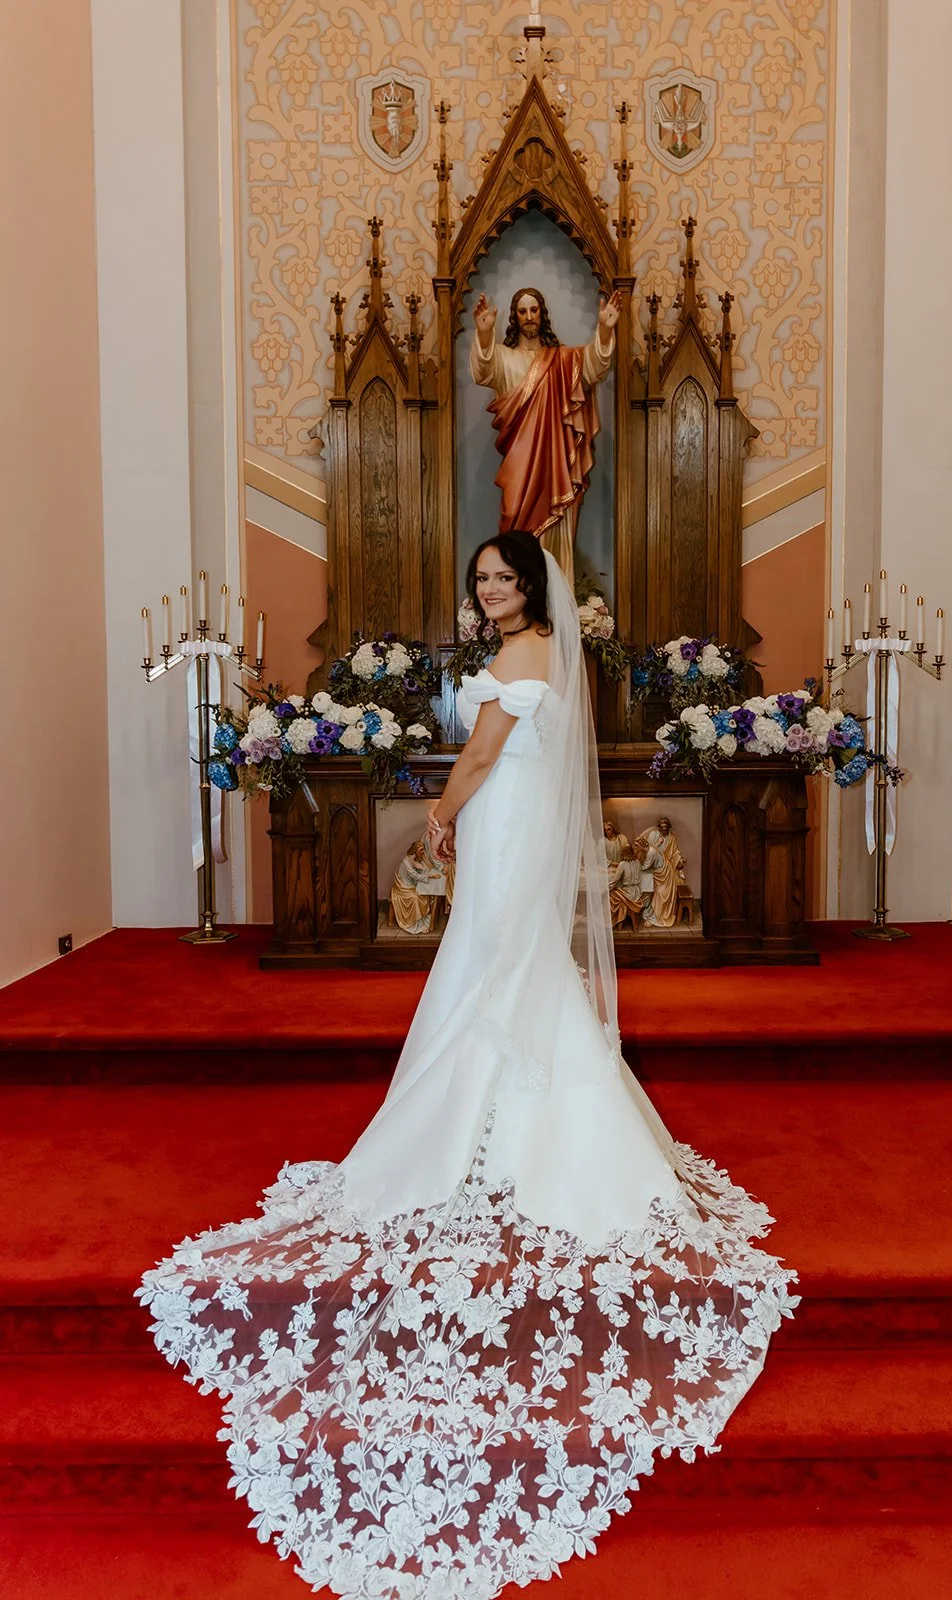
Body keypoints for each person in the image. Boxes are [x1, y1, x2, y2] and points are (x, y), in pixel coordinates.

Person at [139, 531, 798, 1600]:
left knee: (494, 962)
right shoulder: (543, 652)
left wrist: (440, 813)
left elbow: (483, 754)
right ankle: (516, 1110)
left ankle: (489, 1126)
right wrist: (465, 804)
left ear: (530, 588)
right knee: (509, 963)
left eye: (502, 578)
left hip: (497, 818)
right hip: (517, 821)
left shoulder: (521, 658)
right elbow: (502, 752)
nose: (488, 590)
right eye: (480, 580)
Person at [469, 285, 620, 586]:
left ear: (542, 314)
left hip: (554, 465)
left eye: (534, 310)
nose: (528, 317)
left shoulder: (562, 361)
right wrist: (485, 333)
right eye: (522, 311)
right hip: (519, 468)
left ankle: (556, 600)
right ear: (514, 316)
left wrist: (604, 329)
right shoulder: (505, 358)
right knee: (515, 519)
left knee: (557, 524)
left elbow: (593, 367)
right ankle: (518, 599)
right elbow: (483, 370)